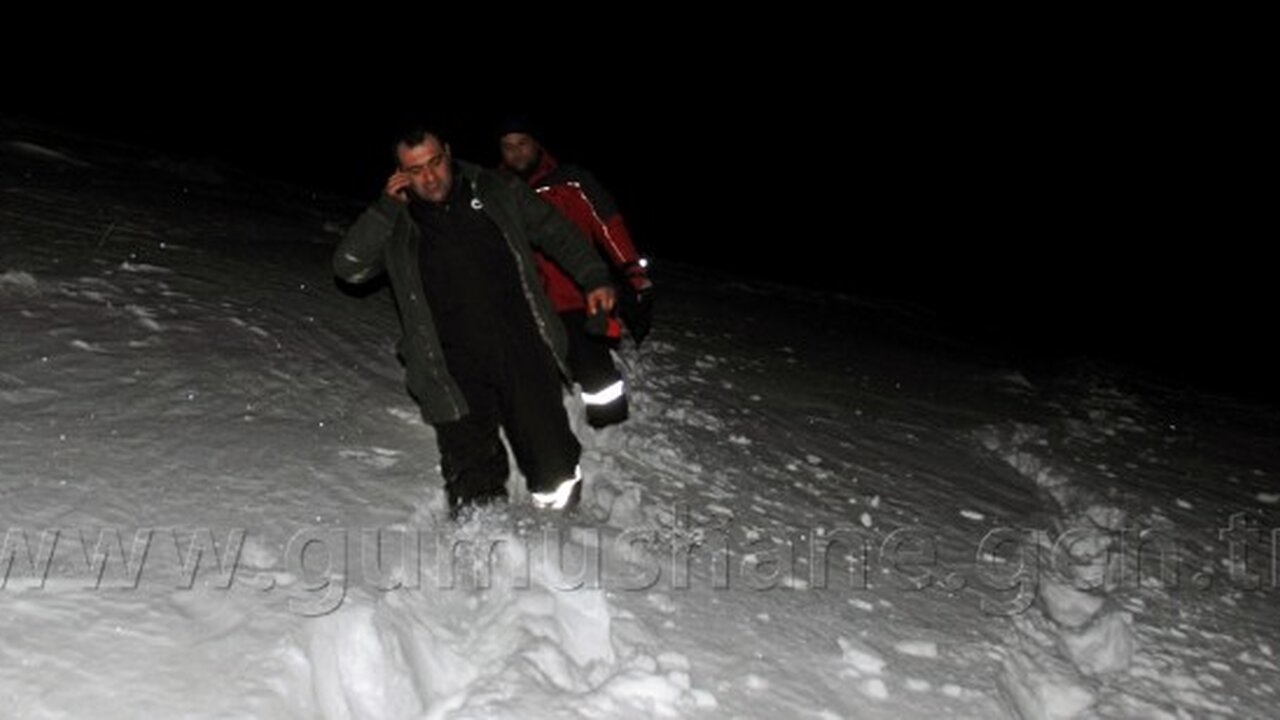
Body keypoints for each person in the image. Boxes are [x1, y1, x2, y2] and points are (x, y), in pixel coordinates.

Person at [333, 127, 615, 516]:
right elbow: (348, 268)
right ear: (399, 174)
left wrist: (594, 276)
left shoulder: (496, 189)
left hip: (522, 346)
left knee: (553, 461)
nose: (429, 177)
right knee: (471, 471)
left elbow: (556, 230)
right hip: (449, 364)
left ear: (448, 153)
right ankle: (483, 538)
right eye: (415, 170)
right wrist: (385, 209)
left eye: (435, 162)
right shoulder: (396, 220)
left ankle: (560, 523)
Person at [498, 118, 653, 428]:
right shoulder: (495, 189)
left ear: (537, 144)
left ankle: (610, 429)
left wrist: (632, 272)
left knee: (595, 372)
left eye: (522, 143)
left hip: (578, 294)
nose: (516, 152)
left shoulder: (571, 181)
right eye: (508, 146)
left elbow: (609, 225)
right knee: (530, 372)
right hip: (526, 299)